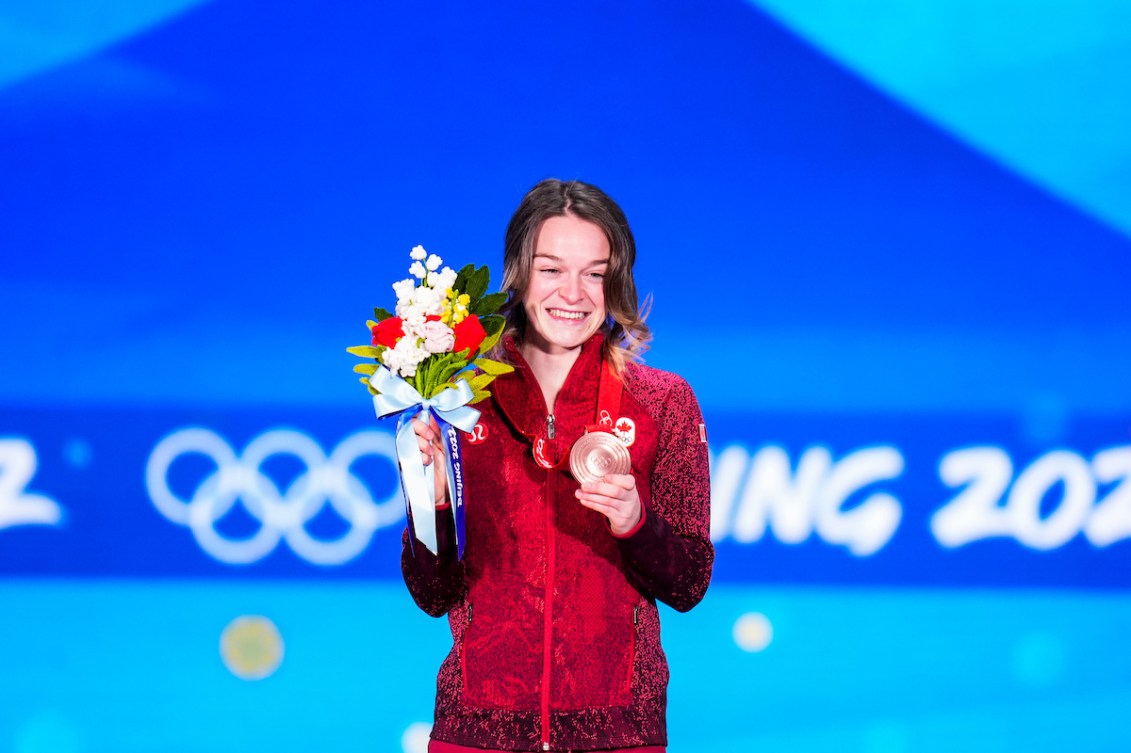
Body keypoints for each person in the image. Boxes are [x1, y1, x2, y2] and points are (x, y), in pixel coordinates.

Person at [405, 178, 713, 753]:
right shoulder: (456, 400)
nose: (573, 292)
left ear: (614, 283)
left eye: (594, 273)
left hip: (619, 732)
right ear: (518, 275)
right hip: (478, 731)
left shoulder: (664, 401)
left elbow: (690, 582)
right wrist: (435, 505)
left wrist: (635, 524)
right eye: (551, 269)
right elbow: (432, 593)